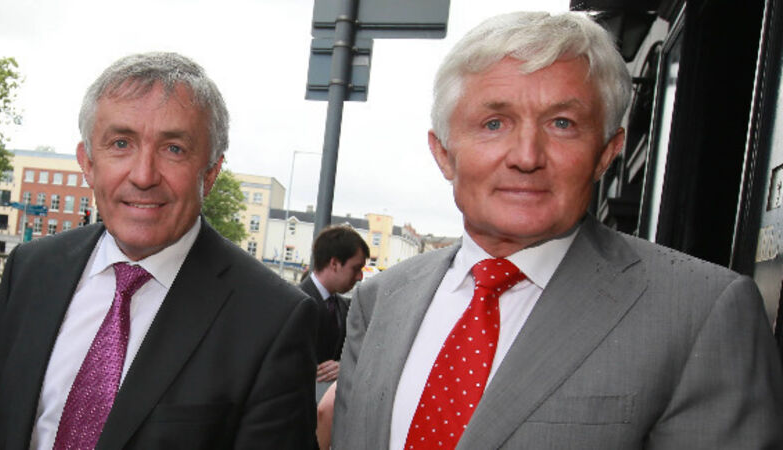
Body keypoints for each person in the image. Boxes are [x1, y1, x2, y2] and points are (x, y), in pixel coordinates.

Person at [332, 11, 783, 449]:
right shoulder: (381, 301)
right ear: (443, 153)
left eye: (562, 124)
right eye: (494, 123)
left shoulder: (700, 313)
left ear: (606, 153)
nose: (527, 156)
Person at [0, 52, 318, 450]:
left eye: (173, 149)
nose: (143, 175)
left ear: (210, 172)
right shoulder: (31, 270)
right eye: (121, 143)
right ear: (87, 162)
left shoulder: (272, 319)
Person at [299, 225, 369, 401]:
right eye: (356, 268)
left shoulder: (346, 307)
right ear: (334, 264)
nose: (360, 277)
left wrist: (344, 366)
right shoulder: (293, 304)